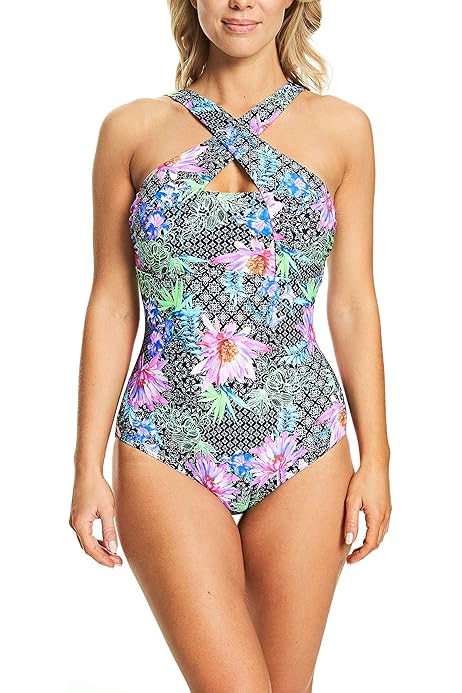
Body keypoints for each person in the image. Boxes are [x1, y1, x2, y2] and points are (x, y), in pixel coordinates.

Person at [69, 1, 392, 690]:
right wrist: (86, 465)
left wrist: (378, 459)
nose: (241, 1)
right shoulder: (132, 130)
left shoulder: (344, 130)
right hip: (167, 441)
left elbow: (353, 303)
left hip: (304, 441)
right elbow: (112, 302)